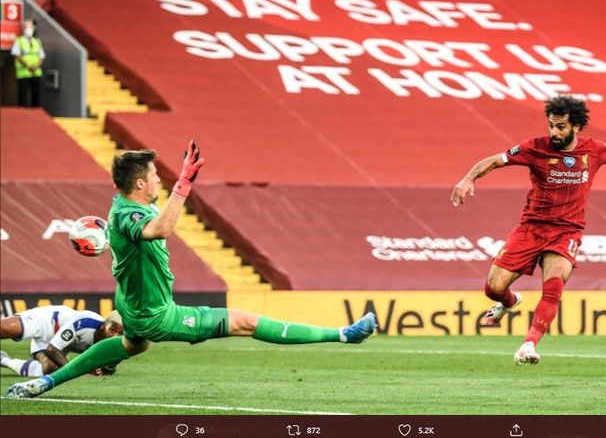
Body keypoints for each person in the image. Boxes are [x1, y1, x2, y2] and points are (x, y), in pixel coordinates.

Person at [7, 140, 376, 398]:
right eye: (154, 177)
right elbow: (159, 230)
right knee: (246, 322)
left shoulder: (123, 204)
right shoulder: (132, 213)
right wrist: (184, 184)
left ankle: (44, 383)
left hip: (133, 306)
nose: (159, 181)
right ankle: (345, 334)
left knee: (132, 345)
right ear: (140, 184)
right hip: (156, 313)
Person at [450, 95, 606, 365]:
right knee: (493, 288)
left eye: (561, 126)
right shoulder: (535, 148)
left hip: (567, 232)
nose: (554, 132)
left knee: (553, 287)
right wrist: (467, 178)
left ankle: (529, 344)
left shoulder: (594, 150)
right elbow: (496, 159)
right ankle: (508, 302)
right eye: (551, 125)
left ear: (575, 127)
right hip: (531, 227)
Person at [0, 305, 123, 377]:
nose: (115, 336)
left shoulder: (118, 343)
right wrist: (75, 372)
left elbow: (107, 370)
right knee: (6, 329)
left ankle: (3, 360)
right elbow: (53, 349)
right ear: (103, 325)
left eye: (121, 333)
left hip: (61, 345)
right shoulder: (86, 322)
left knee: (49, 369)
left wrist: (96, 370)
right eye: (112, 330)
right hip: (47, 322)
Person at [11, 18, 45, 107]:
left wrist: (36, 66)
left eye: (30, 26)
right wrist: (28, 66)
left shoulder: (37, 41)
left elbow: (41, 56)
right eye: (26, 27)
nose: (28, 29)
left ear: (34, 28)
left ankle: (36, 115)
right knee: (23, 96)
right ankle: (22, 116)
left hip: (36, 73)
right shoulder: (19, 41)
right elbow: (17, 55)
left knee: (36, 96)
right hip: (23, 73)